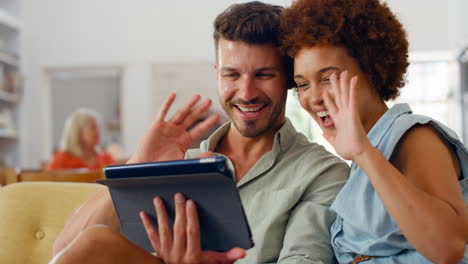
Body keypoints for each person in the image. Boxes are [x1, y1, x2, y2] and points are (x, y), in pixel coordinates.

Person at [50, 2, 349, 264]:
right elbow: (65, 251)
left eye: (263, 75)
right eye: (232, 75)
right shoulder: (177, 163)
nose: (246, 93)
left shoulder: (321, 172)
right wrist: (136, 166)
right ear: (217, 73)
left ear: (288, 79)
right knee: (96, 242)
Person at [280, 0, 468, 263]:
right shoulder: (367, 151)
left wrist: (363, 152)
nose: (314, 98)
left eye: (327, 79)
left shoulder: (414, 137)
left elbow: (448, 248)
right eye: (302, 84)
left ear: (371, 70)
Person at [47, 108, 115, 170]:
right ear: (77, 131)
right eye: (93, 127)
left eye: (98, 127)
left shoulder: (106, 158)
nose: (98, 131)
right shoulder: (60, 160)